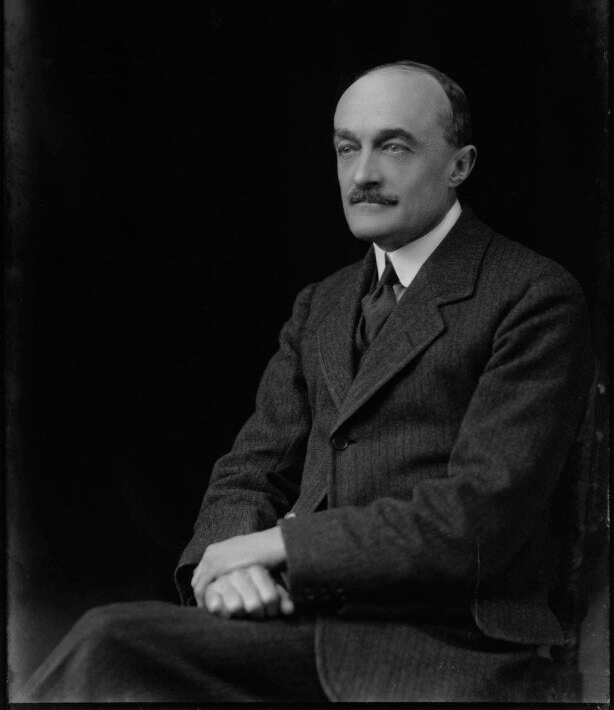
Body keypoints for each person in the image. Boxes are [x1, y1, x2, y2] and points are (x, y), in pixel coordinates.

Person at [18, 61, 594, 703]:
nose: (362, 174)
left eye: (393, 147)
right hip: (305, 624)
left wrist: (278, 549)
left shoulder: (532, 296)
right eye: (347, 148)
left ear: (460, 164)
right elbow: (252, 470)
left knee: (110, 643)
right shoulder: (323, 303)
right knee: (114, 652)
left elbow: (476, 520)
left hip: (443, 644)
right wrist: (224, 566)